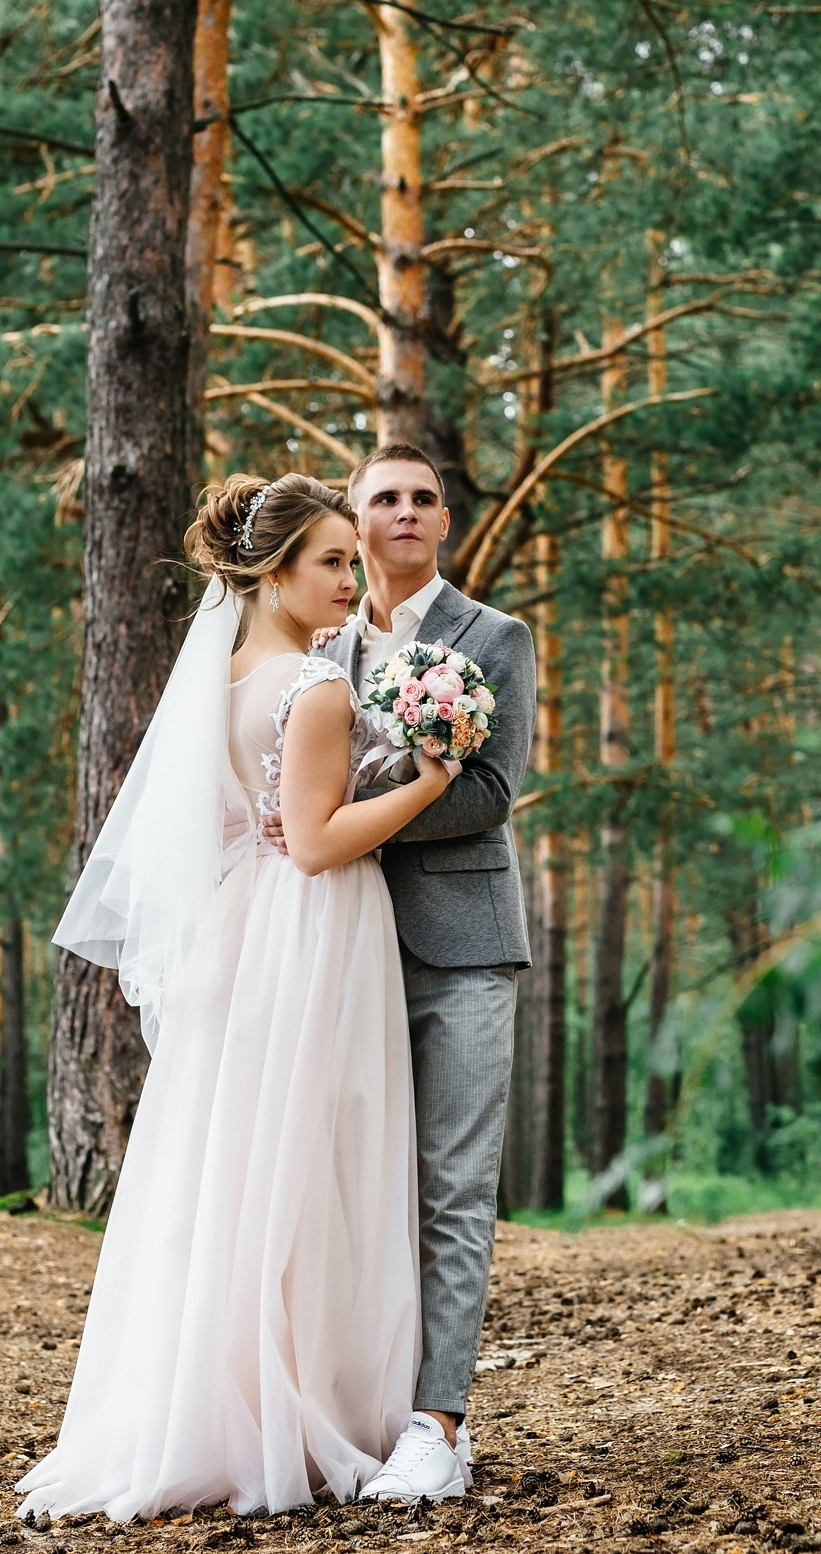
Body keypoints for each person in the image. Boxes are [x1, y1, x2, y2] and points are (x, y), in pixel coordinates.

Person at [14, 471, 467, 1522]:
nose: (352, 578)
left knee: (246, 1167)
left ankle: (234, 1402)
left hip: (247, 937)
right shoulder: (312, 688)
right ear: (270, 574)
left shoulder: (224, 682)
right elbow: (312, 844)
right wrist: (429, 781)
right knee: (314, 1163)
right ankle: (303, 1412)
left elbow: (256, 827)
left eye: (351, 561)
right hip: (312, 934)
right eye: (332, 562)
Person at [290, 442, 537, 1503]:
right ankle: (354, 1412)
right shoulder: (318, 643)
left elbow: (489, 790)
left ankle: (438, 1422)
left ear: (445, 522)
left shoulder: (495, 638)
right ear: (353, 521)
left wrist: (361, 810)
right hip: (337, 945)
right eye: (381, 498)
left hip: (466, 945)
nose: (402, 512)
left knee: (451, 1189)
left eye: (420, 499)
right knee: (348, 1187)